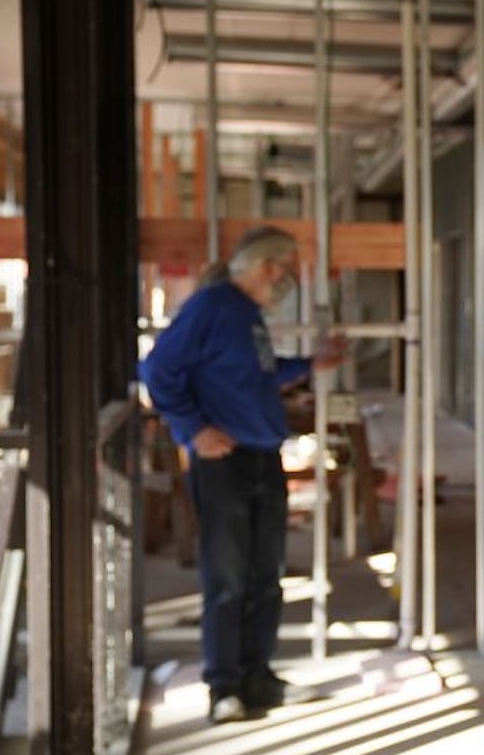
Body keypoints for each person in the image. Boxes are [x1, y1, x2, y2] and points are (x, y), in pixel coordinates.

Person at [141, 226, 349, 724]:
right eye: (287, 268)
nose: (289, 280)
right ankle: (224, 685)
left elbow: (251, 372)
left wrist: (307, 365)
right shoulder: (213, 305)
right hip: (224, 462)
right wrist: (194, 430)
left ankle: (258, 676)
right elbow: (157, 370)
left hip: (260, 452)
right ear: (267, 267)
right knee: (228, 576)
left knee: (266, 573)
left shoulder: (246, 313)